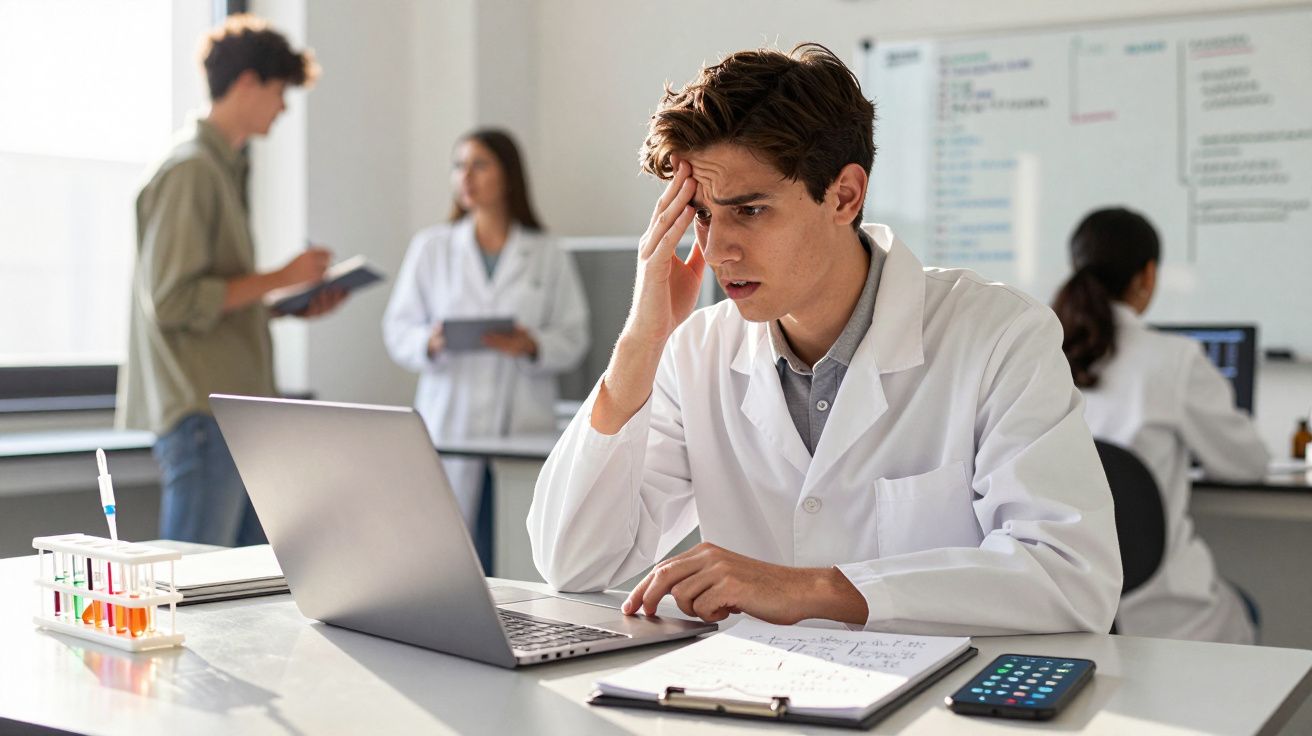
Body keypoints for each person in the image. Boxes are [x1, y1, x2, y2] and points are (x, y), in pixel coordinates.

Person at [528, 44, 1121, 634]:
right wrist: (642, 340)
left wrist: (814, 588)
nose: (716, 250)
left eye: (751, 210)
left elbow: (1071, 577)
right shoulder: (695, 352)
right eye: (703, 215)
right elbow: (574, 563)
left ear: (844, 196)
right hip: (752, 704)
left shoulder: (998, 336)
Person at [117, 15, 345, 547]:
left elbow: (207, 300)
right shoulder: (192, 170)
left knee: (235, 596)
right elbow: (173, 303)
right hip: (203, 420)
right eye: (279, 92)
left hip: (228, 417)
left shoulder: (219, 169)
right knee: (195, 598)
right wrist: (281, 275)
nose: (284, 108)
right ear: (247, 83)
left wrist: (281, 303)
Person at [1052, 207, 1269, 644]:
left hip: (1062, 605)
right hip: (1161, 612)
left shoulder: (1038, 349)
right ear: (1147, 275)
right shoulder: (1175, 359)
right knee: (1249, 607)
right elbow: (1246, 465)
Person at [383, 129, 590, 573]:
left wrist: (532, 345)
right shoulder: (432, 248)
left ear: (508, 175)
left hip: (521, 424)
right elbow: (398, 329)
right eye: (459, 166)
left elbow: (574, 337)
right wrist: (430, 342)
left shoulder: (546, 251)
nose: (466, 177)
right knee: (446, 555)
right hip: (448, 422)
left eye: (479, 164)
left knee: (517, 555)